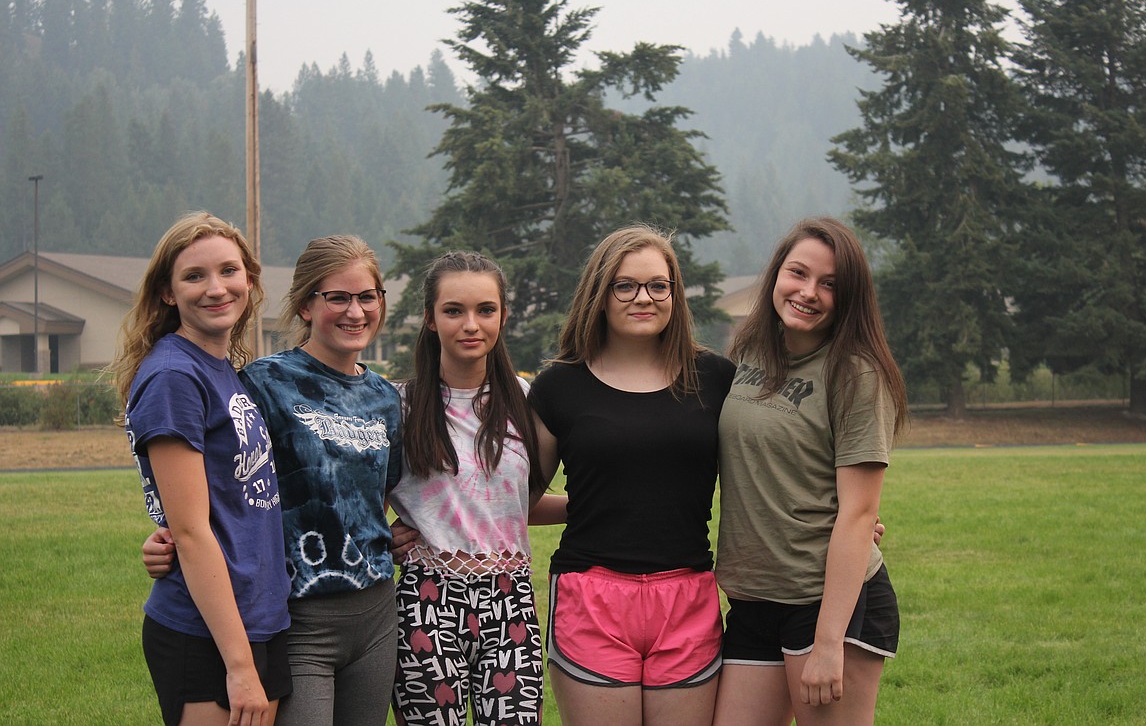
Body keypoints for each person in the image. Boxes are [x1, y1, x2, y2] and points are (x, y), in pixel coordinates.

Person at [144, 235, 406, 726]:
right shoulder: (263, 381)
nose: (355, 311)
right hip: (298, 615)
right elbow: (221, 480)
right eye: (337, 298)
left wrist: (390, 532)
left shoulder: (385, 398)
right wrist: (167, 535)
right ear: (306, 304)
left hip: (375, 611)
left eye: (367, 297)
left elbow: (380, 494)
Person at [526, 225, 733, 726]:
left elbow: (769, 468)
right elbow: (517, 500)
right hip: (590, 598)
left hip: (688, 596)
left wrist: (837, 519)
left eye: (658, 285)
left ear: (674, 293)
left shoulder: (717, 379)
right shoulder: (559, 386)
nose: (644, 297)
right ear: (600, 293)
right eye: (625, 285)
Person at [712, 217, 908, 726]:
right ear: (776, 273)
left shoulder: (856, 373)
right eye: (798, 273)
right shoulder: (750, 349)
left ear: (850, 298)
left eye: (830, 285)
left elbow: (860, 513)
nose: (808, 292)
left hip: (827, 602)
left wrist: (827, 643)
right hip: (754, 598)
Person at [113, 212, 291, 726]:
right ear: (168, 293)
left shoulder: (221, 370)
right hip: (206, 631)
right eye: (194, 276)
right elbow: (190, 532)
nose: (216, 288)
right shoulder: (174, 376)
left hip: (257, 616)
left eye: (229, 271)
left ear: (249, 280)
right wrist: (238, 667)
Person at [389, 250, 565, 726]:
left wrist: (590, 506)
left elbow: (515, 506)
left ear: (502, 316)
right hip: (427, 597)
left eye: (485, 310)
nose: (471, 324)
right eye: (454, 310)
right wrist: (376, 536)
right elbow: (351, 495)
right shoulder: (397, 406)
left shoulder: (528, 401)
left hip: (510, 598)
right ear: (429, 318)